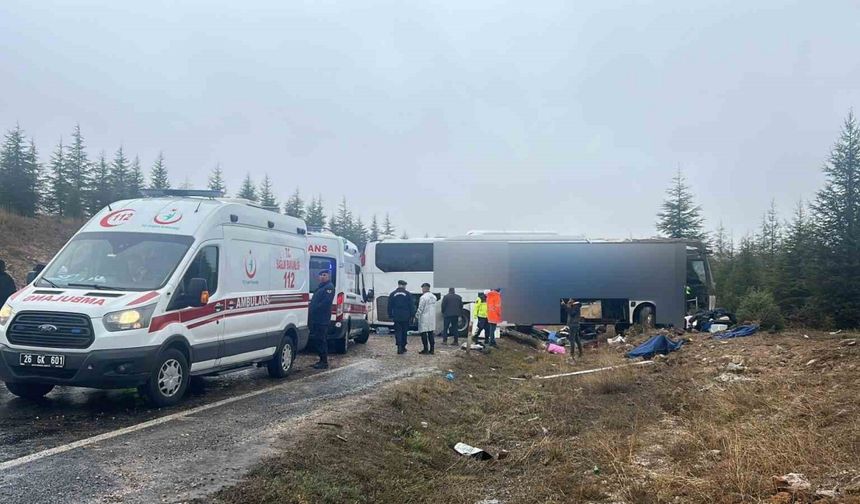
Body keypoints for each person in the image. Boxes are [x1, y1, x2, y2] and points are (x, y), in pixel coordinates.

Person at [308, 270, 336, 369]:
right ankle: (321, 360)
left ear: (328, 276)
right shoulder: (321, 287)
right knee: (317, 339)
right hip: (316, 318)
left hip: (322, 318)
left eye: (325, 275)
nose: (322, 277)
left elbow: (326, 303)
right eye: (321, 275)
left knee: (321, 339)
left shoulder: (329, 287)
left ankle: (324, 361)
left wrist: (314, 308)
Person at [387, 280, 415, 354]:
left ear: (398, 285)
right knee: (404, 331)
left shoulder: (392, 294)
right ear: (404, 285)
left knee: (398, 331)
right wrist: (412, 315)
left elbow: (389, 305)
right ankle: (403, 346)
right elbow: (411, 305)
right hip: (406, 316)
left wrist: (390, 314)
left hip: (396, 316)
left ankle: (399, 346)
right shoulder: (408, 294)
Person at [416, 283, 437, 354]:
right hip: (431, 318)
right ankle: (432, 349)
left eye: (422, 288)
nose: (422, 290)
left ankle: (425, 349)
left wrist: (417, 315)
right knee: (431, 333)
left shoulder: (423, 297)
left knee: (424, 334)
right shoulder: (434, 297)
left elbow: (420, 308)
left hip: (424, 318)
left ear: (425, 288)